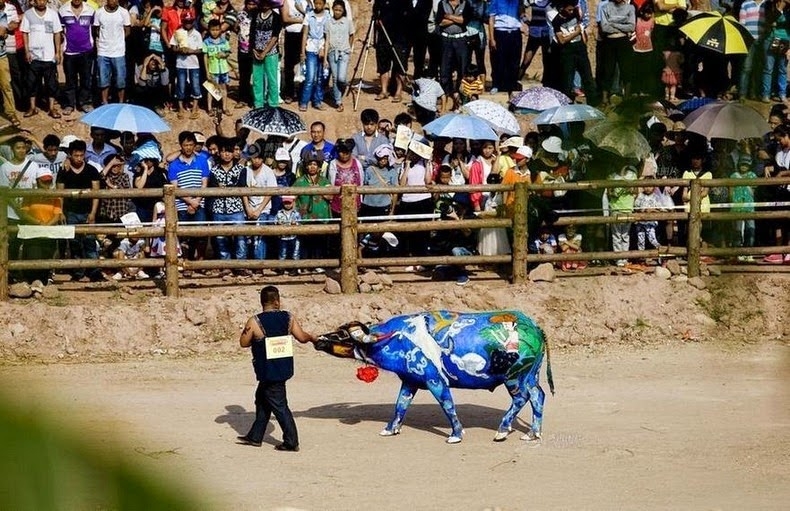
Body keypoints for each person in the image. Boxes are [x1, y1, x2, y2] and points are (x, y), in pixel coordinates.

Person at [237, 285, 318, 451]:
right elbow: (302, 337)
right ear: (277, 301)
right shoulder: (288, 317)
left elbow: (243, 343)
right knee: (262, 399)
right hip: (283, 368)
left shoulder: (254, 321)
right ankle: (255, 436)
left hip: (267, 370)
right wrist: (312, 337)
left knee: (279, 405)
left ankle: (291, 441)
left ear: (262, 302)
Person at [21, 0, 63, 119]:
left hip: (49, 56)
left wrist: (58, 52)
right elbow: (25, 33)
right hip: (34, 56)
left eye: (43, 0)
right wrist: (27, 51)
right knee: (31, 82)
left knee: (51, 83)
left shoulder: (52, 14)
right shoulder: (28, 14)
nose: (41, 2)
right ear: (34, 1)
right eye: (38, 0)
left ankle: (51, 108)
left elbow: (57, 33)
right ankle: (32, 107)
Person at [59, 0, 95, 116]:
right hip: (70, 52)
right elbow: (60, 31)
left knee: (86, 78)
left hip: (86, 51)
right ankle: (70, 104)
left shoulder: (90, 10)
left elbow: (94, 30)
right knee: (70, 80)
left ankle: (84, 102)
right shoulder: (63, 10)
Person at [93, 0, 131, 105]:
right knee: (103, 78)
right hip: (103, 51)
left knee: (120, 79)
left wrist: (118, 40)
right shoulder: (99, 12)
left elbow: (127, 30)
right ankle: (104, 102)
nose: (113, 1)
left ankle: (120, 102)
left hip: (118, 52)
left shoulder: (123, 12)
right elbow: (96, 29)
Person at [249, 0, 282, 108]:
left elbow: (275, 37)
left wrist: (265, 52)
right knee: (257, 79)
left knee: (272, 78)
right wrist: (253, 48)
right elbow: (252, 32)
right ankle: (258, 103)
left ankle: (273, 103)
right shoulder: (255, 15)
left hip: (271, 52)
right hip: (256, 51)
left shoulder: (276, 17)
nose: (265, 5)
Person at [298, 0, 328, 112]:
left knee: (320, 77)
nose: (318, 6)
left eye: (320, 3)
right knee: (310, 77)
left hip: (322, 49)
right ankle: (304, 101)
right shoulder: (309, 16)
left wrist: (324, 49)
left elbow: (327, 36)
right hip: (310, 48)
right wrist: (302, 52)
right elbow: (305, 34)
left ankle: (317, 101)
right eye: (316, 3)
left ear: (324, 4)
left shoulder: (328, 16)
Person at [172, 10, 202, 119]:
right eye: (186, 21)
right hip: (181, 64)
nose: (188, 24)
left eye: (190, 21)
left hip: (194, 64)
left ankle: (194, 108)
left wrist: (190, 51)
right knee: (180, 86)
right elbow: (173, 47)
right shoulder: (178, 32)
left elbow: (200, 50)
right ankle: (180, 108)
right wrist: (180, 49)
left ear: (193, 21)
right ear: (183, 21)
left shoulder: (197, 34)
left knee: (195, 86)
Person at [325, 0, 353, 112]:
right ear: (333, 10)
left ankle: (344, 86)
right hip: (332, 52)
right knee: (335, 78)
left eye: (340, 10)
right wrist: (326, 54)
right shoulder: (328, 22)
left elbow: (352, 35)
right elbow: (327, 39)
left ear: (343, 11)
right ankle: (338, 101)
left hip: (344, 52)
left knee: (341, 78)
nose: (337, 12)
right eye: (336, 9)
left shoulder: (347, 22)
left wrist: (349, 48)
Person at [203, 18, 232, 115]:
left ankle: (224, 107)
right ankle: (210, 108)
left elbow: (228, 52)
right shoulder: (206, 42)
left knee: (223, 88)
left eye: (217, 30)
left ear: (220, 30)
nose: (215, 32)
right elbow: (205, 57)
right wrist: (207, 72)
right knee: (211, 89)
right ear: (209, 30)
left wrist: (224, 54)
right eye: (212, 30)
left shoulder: (224, 41)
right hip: (212, 69)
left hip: (223, 69)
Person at [731, 154, 757, 258]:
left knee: (750, 228)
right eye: (742, 164)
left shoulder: (752, 175)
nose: (744, 167)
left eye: (746, 165)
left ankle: (748, 252)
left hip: (749, 207)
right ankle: (737, 252)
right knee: (737, 230)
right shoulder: (733, 176)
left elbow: (753, 191)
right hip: (737, 207)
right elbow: (731, 191)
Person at [274, 195, 301, 270]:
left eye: (289, 203)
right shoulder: (279, 213)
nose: (287, 205)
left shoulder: (296, 213)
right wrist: (278, 224)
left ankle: (295, 268)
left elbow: (300, 223)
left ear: (293, 203)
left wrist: (296, 224)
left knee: (295, 253)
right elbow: (275, 222)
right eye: (285, 203)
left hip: (294, 236)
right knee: (283, 252)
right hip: (283, 237)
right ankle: (281, 268)